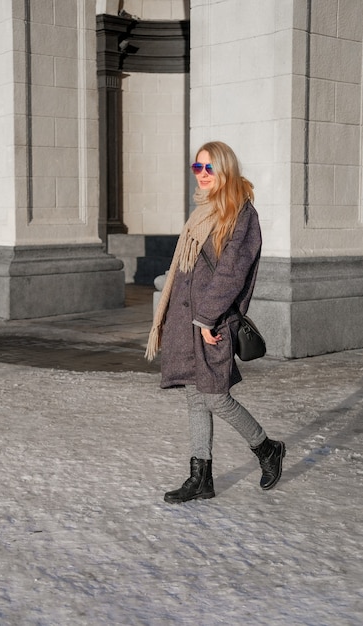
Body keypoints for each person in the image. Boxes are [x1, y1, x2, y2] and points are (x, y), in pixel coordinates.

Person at [145, 141, 286, 504]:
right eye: (198, 168)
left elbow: (231, 273)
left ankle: (267, 448)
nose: (203, 175)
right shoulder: (202, 211)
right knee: (195, 398)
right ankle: (200, 477)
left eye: (210, 168)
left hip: (213, 321)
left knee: (214, 396)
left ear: (225, 169)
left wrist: (207, 318)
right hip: (187, 318)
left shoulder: (241, 214)